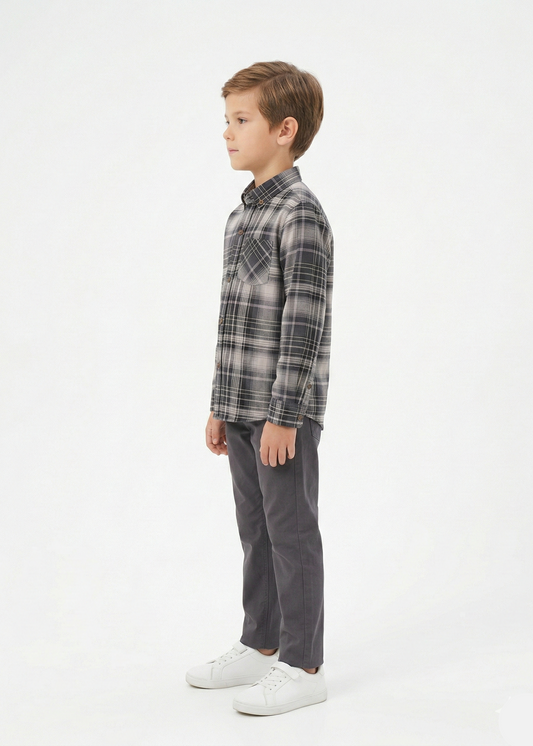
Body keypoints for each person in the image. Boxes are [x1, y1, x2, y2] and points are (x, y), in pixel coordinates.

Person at [186, 60, 334, 716]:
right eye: (227, 119)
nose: (227, 132)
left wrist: (284, 415)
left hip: (282, 414)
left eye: (240, 119)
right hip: (243, 406)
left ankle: (303, 665)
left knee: (290, 532)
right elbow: (235, 322)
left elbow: (302, 325)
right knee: (256, 531)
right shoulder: (240, 217)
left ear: (284, 130)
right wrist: (220, 405)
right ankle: (261, 642)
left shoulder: (300, 215)